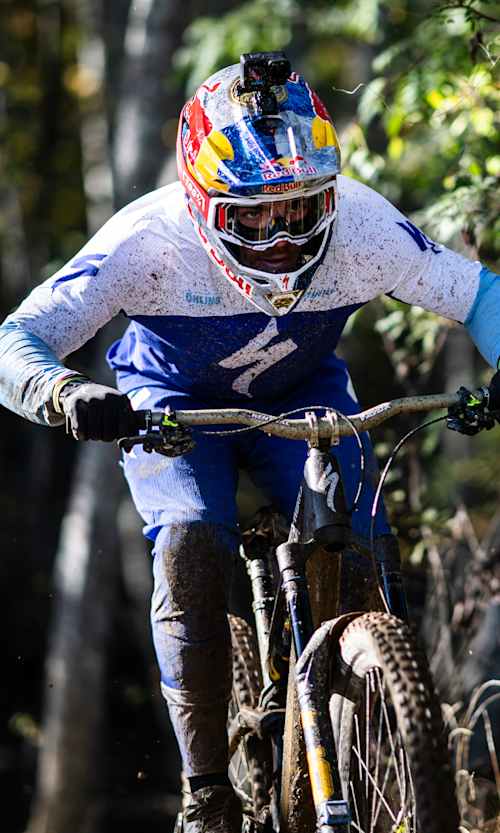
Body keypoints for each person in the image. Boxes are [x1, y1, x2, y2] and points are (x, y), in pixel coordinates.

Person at [0, 52, 499, 833]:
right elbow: (17, 337)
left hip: (303, 393)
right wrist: (66, 393)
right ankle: (206, 791)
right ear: (202, 204)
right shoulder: (146, 241)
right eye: (254, 217)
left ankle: (371, 747)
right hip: (169, 405)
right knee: (193, 545)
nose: (281, 239)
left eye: (301, 211)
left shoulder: (363, 223)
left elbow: (481, 296)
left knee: (363, 547)